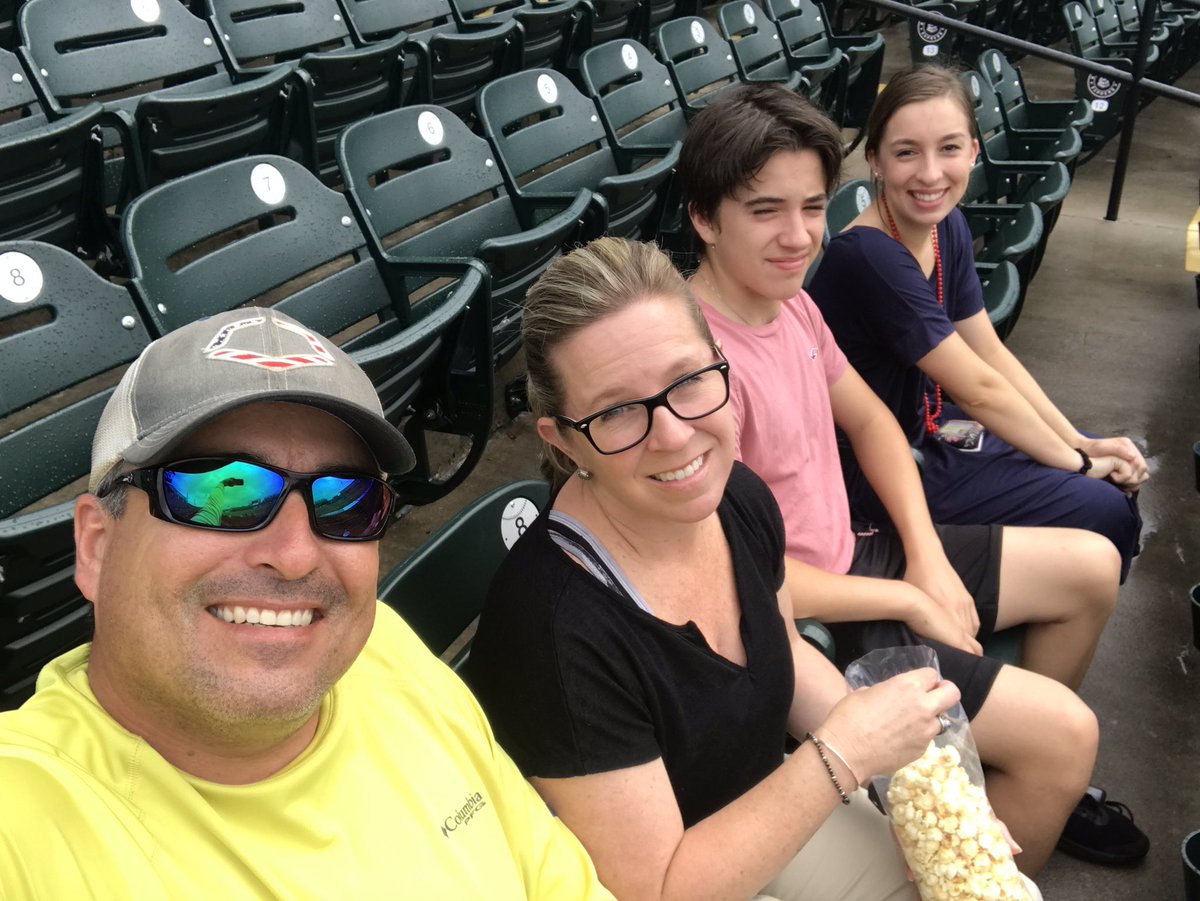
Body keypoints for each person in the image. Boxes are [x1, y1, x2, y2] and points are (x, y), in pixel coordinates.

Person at [465, 237, 1043, 901]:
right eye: (617, 410)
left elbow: (787, 654)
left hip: (768, 806)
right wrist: (842, 756)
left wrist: (922, 790)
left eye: (688, 381)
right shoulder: (552, 631)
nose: (676, 434)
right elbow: (655, 886)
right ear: (564, 441)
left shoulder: (737, 494)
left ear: (721, 365)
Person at [677, 82, 1148, 869]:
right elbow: (745, 581)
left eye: (812, 207)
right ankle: (977, 851)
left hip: (867, 548)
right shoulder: (694, 373)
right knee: (1070, 734)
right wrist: (907, 594)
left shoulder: (788, 302)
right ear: (703, 217)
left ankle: (998, 784)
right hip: (817, 619)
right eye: (765, 211)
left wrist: (924, 554)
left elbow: (870, 423)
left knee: (1092, 567)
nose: (797, 237)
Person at [0, 308, 614, 899]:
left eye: (345, 501)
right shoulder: (24, 816)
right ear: (97, 546)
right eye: (223, 490)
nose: (295, 555)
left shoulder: (383, 646)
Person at [808, 65, 1146, 584]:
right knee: (1100, 502)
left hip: (932, 429)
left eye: (948, 148)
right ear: (874, 159)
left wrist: (1081, 441)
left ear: (973, 149)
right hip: (873, 472)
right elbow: (982, 390)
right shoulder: (869, 256)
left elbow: (989, 353)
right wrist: (1079, 463)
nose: (930, 174)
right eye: (906, 152)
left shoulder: (947, 224)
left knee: (1111, 476)